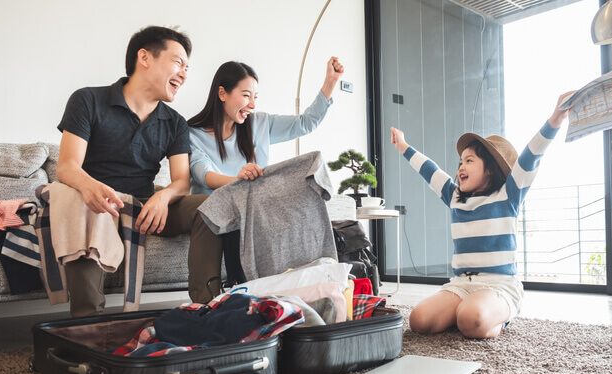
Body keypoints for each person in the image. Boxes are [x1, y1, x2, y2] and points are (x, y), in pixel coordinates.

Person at [56, 26, 222, 317]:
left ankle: (205, 310)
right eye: (178, 62)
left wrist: (162, 197)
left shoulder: (175, 123)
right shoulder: (87, 101)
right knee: (81, 205)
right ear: (144, 57)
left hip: (144, 204)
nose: (184, 73)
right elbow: (67, 166)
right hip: (98, 204)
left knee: (212, 205)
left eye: (187, 67)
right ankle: (87, 325)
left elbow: (182, 181)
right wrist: (88, 187)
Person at [390, 91, 575, 338]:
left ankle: (497, 317)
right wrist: (403, 146)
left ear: (489, 170)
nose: (461, 167)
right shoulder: (454, 196)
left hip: (498, 286)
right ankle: (468, 313)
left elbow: (530, 157)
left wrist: (556, 119)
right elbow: (429, 170)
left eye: (469, 160)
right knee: (419, 320)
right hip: (461, 286)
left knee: (470, 319)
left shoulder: (509, 195)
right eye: (459, 163)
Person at [187, 57, 344, 194]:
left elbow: (305, 123)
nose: (253, 105)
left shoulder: (259, 123)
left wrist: (330, 82)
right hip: (214, 214)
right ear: (222, 93)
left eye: (255, 97)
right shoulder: (192, 135)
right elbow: (203, 174)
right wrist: (239, 181)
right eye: (246, 95)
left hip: (253, 212)